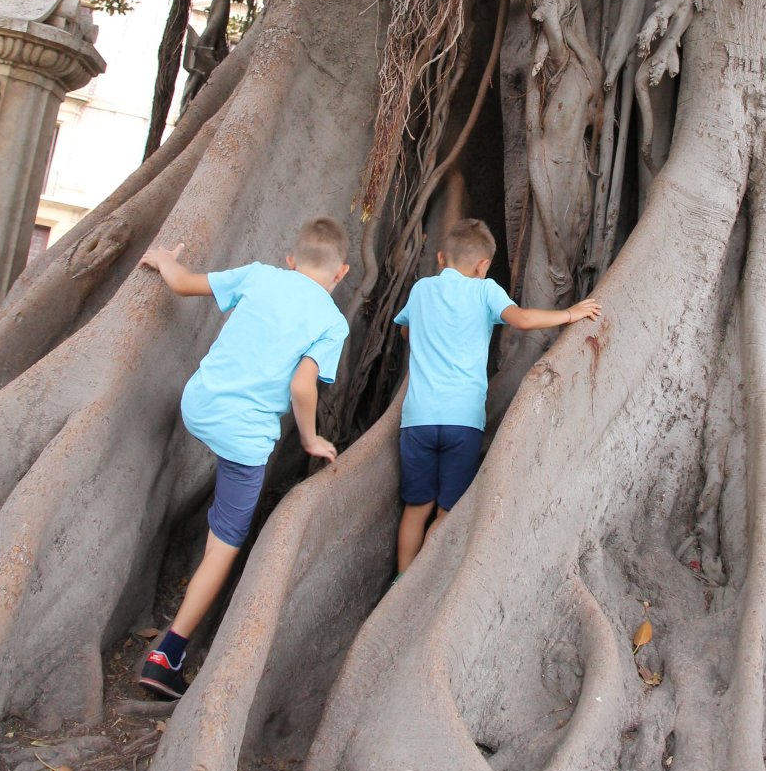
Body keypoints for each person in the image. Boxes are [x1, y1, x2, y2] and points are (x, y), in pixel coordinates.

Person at [137, 217, 350, 699]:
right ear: (342, 273)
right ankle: (167, 656)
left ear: (291, 261)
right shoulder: (332, 322)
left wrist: (166, 260)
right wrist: (311, 439)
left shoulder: (259, 274)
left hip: (198, 405)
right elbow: (302, 386)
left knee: (225, 458)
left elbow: (183, 283)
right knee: (225, 544)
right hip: (245, 436)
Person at [393, 217, 600, 574]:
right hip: (463, 423)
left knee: (416, 507)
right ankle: (419, 584)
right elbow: (521, 320)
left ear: (440, 258)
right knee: (447, 511)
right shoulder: (485, 290)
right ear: (483, 265)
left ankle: (400, 579)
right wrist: (570, 313)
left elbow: (406, 333)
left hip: (417, 420)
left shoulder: (421, 290)